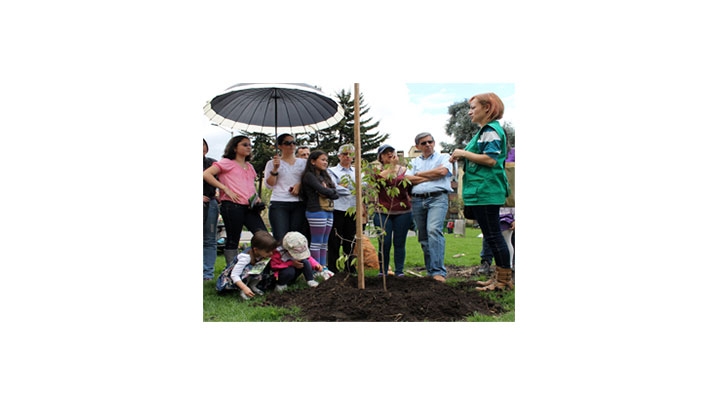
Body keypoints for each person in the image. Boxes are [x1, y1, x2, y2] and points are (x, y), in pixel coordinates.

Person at [450, 92, 513, 291]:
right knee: (491, 236)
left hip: (487, 189)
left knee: (493, 235)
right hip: (482, 190)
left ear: (487, 108)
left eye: (473, 107)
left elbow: (490, 159)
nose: (469, 112)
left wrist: (463, 153)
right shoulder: (485, 131)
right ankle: (499, 277)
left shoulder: (490, 130)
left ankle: (503, 281)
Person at [203, 135, 268, 268]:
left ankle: (257, 270)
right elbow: (206, 174)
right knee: (233, 240)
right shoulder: (226, 163)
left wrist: (256, 197)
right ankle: (231, 273)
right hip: (232, 206)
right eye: (244, 144)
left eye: (250, 145)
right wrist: (225, 189)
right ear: (234, 147)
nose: (248, 147)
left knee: (264, 237)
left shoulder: (249, 166)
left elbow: (250, 185)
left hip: (249, 207)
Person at [405, 133, 454, 282]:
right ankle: (430, 271)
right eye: (423, 143)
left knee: (433, 230)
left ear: (434, 142)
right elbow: (407, 179)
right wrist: (431, 175)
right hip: (418, 200)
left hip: (437, 198)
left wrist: (419, 175)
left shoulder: (444, 157)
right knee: (424, 236)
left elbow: (442, 172)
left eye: (430, 142)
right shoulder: (412, 162)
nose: (427, 145)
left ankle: (439, 271)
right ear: (418, 146)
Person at [373, 144, 413, 277]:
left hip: (403, 212)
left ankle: (399, 272)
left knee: (399, 242)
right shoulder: (376, 170)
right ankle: (383, 271)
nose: (389, 154)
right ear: (380, 157)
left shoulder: (405, 170)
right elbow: (378, 180)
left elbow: (411, 185)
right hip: (382, 212)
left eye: (391, 151)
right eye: (385, 153)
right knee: (384, 242)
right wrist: (391, 167)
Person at [264, 133, 307, 242]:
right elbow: (269, 185)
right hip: (279, 201)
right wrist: (275, 169)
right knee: (280, 237)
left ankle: (294, 259)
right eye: (287, 143)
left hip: (298, 202)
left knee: (296, 238)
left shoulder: (303, 163)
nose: (291, 145)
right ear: (280, 146)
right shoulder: (272, 163)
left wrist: (300, 184)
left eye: (293, 143)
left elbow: (311, 180)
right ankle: (280, 259)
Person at [301, 150, 339, 269]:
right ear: (312, 161)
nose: (325, 162)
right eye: (322, 160)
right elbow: (323, 190)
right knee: (317, 242)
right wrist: (327, 191)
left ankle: (323, 266)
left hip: (328, 210)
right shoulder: (309, 176)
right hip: (316, 211)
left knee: (324, 242)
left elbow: (336, 194)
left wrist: (328, 192)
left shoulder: (324, 176)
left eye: (326, 160)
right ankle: (315, 268)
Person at [327, 144, 358, 274]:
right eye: (344, 154)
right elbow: (333, 187)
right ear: (339, 155)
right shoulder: (332, 171)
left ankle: (349, 266)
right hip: (337, 208)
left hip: (353, 209)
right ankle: (332, 267)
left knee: (350, 239)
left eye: (350, 154)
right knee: (334, 239)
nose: (347, 157)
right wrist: (353, 190)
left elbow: (363, 187)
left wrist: (345, 187)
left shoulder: (358, 172)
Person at [222, 230, 278, 300]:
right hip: (233, 278)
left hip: (249, 274)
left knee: (262, 266)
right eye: (268, 251)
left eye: (272, 251)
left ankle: (252, 285)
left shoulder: (261, 254)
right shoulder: (245, 257)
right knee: (248, 269)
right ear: (256, 250)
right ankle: (243, 290)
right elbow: (234, 275)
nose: (271, 254)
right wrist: (244, 287)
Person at [203, 139, 219, 281]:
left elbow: (223, 181)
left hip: (211, 203)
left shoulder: (212, 163)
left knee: (210, 239)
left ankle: (207, 273)